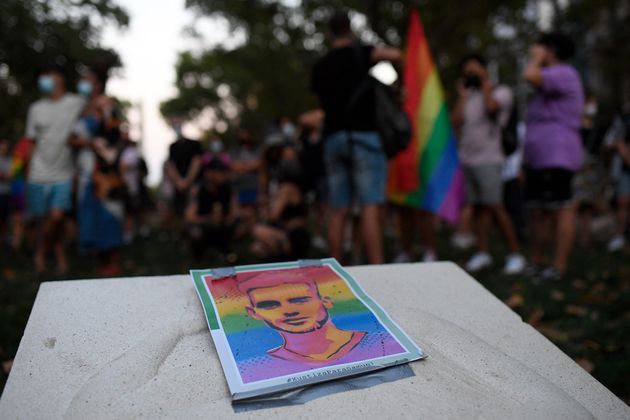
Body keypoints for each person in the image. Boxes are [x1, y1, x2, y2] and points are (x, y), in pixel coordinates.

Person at [310, 10, 402, 264]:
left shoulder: (321, 66)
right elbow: (396, 55)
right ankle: (376, 268)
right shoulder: (362, 52)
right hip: (365, 137)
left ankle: (335, 267)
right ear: (350, 29)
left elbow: (321, 106)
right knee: (371, 206)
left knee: (339, 209)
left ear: (329, 32)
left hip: (333, 140)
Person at [451, 53, 526, 274]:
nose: (471, 74)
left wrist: (485, 85)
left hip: (490, 159)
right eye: (467, 71)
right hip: (468, 159)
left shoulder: (500, 91)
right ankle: (483, 252)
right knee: (478, 209)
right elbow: (455, 121)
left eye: (475, 70)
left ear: (484, 70)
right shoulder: (467, 96)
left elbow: (492, 108)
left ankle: (515, 254)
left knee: (496, 206)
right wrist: (462, 95)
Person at [523, 32, 585, 280]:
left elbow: (529, 75)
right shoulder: (552, 77)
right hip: (540, 156)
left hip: (557, 154)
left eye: (539, 48)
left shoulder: (564, 73)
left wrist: (536, 59)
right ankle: (538, 262)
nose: (533, 51)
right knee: (538, 211)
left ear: (551, 50)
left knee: (561, 210)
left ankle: (557, 267)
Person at [24, 64, 86, 273]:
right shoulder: (36, 109)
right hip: (37, 173)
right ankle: (60, 259)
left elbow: (96, 103)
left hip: (63, 173)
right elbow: (31, 142)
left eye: (47, 75)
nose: (44, 80)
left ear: (60, 78)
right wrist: (26, 172)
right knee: (45, 221)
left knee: (57, 217)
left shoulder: (75, 103)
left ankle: (40, 252)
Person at [239, 272, 366, 364]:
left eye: (300, 300)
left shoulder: (371, 339)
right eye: (270, 305)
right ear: (253, 313)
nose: (289, 311)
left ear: (326, 302)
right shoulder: (260, 362)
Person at [70, 66, 125, 276]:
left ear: (98, 84)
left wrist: (96, 145)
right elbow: (72, 139)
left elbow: (114, 135)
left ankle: (114, 261)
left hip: (105, 173)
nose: (83, 84)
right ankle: (100, 263)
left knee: (110, 214)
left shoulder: (106, 105)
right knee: (90, 214)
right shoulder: (81, 108)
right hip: (86, 172)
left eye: (88, 80)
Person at [184, 157, 236, 260]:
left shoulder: (227, 189)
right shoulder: (200, 190)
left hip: (223, 225)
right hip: (204, 226)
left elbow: (234, 210)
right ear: (209, 173)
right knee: (195, 232)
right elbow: (189, 216)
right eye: (220, 172)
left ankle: (226, 252)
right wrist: (208, 219)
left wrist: (227, 219)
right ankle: (199, 256)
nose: (223, 175)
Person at [165, 120, 202, 218]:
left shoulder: (194, 144)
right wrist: (179, 182)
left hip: (194, 184)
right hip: (179, 186)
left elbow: (196, 162)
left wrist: (188, 181)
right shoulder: (172, 147)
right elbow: (171, 166)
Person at [606, 110, 630, 252]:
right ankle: (619, 236)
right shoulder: (623, 116)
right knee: (623, 201)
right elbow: (610, 141)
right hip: (623, 168)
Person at [0, 139, 11, 246]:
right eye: (2, 146)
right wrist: (6, 175)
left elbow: (13, 174)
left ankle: (3, 240)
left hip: (7, 193)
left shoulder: (10, 160)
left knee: (4, 218)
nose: (4, 148)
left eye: (6, 146)